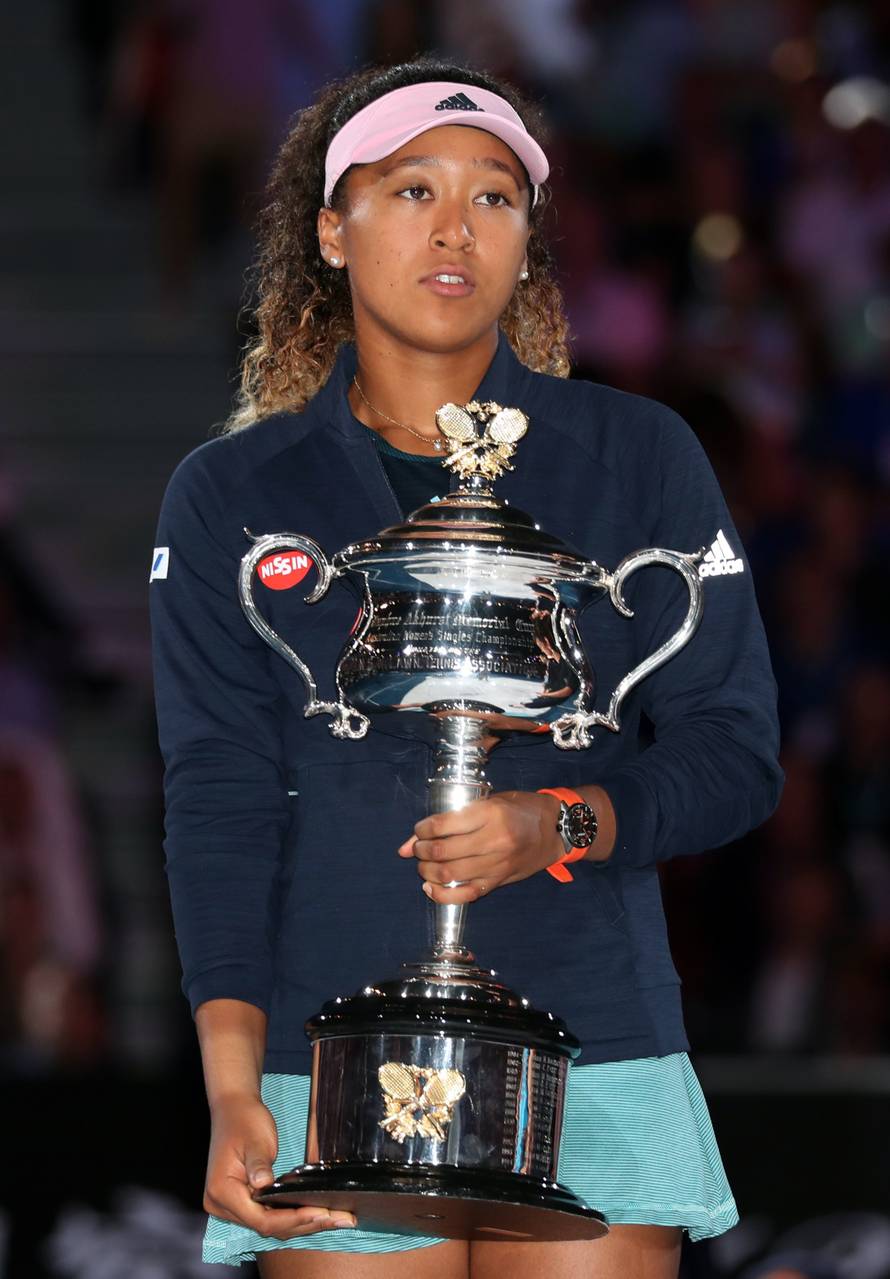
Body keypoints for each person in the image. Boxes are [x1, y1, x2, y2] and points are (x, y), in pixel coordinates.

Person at [150, 57, 783, 1279]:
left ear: (528, 242)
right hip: (325, 1058)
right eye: (409, 190)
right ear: (330, 229)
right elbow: (216, 800)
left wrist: (565, 817)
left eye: (493, 198)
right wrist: (232, 1091)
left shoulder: (637, 453)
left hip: (597, 1040)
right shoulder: (233, 494)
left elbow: (733, 750)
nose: (454, 227)